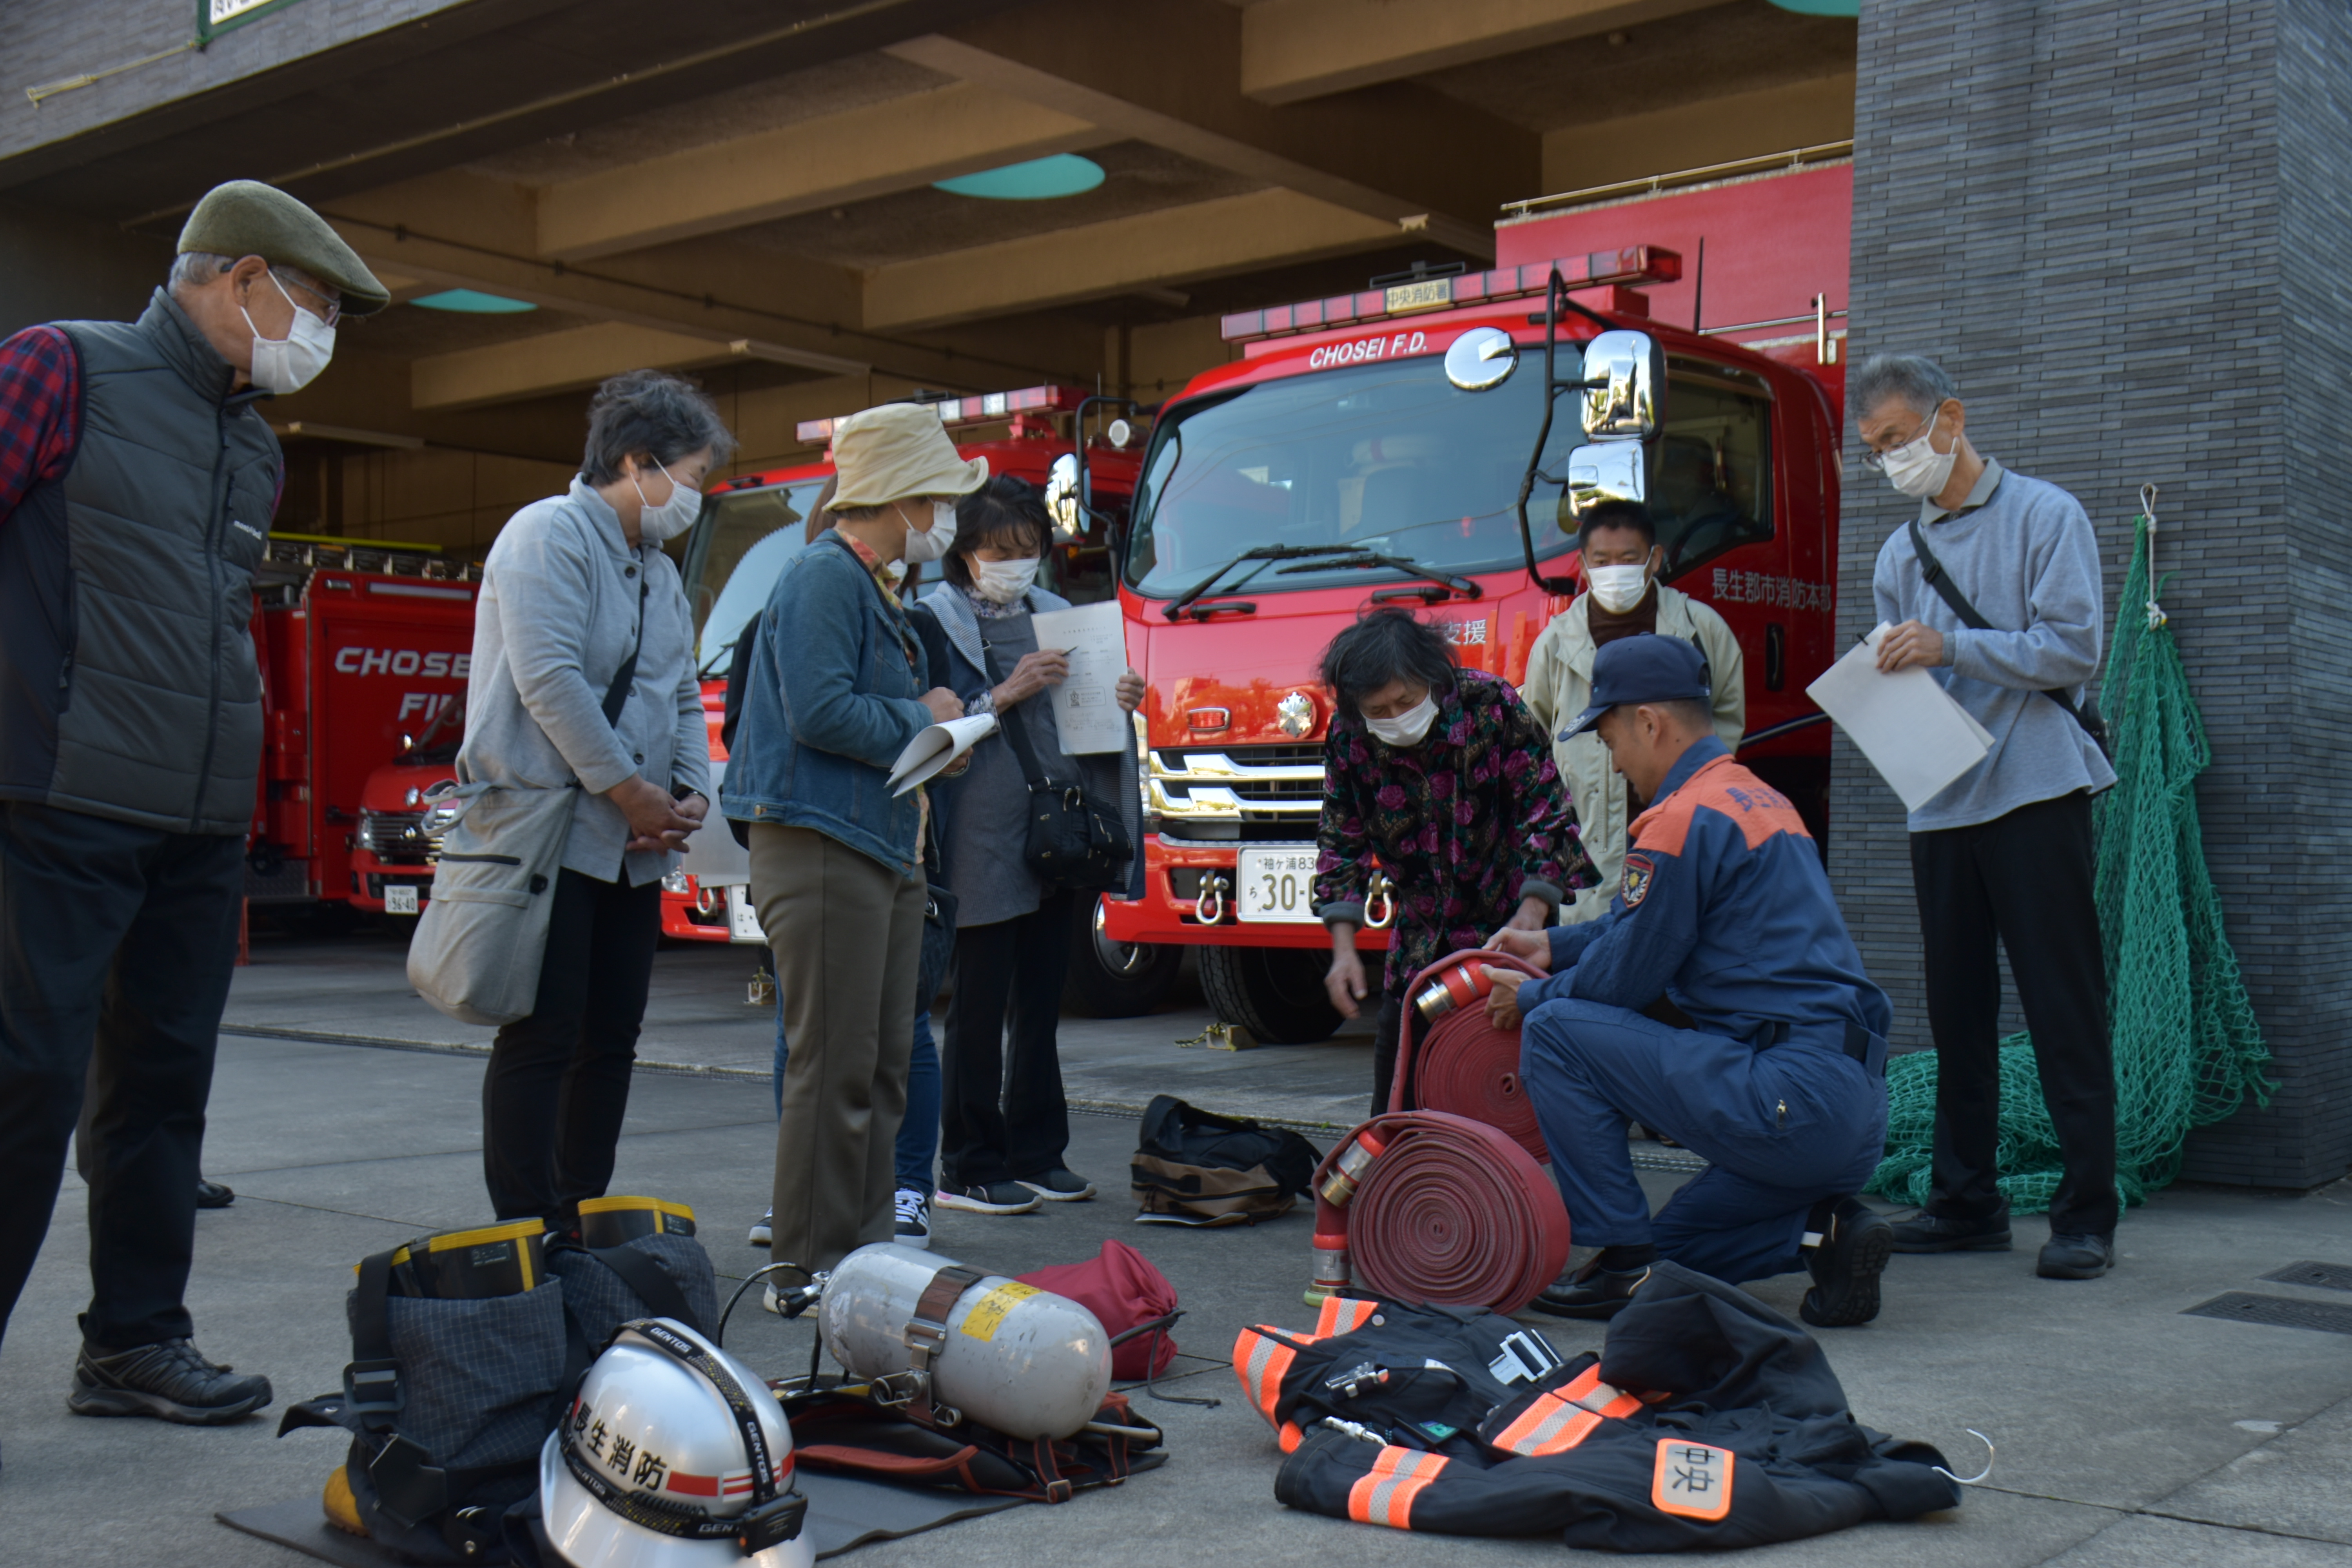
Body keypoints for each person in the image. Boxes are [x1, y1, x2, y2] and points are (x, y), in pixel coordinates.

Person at [0, 180, 387, 1428]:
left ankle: (133, 1342)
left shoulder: (255, 443)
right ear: (237, 279)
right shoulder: (62, 368)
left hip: (197, 817)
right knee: (25, 1083)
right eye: (313, 304)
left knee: (162, 1089)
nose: (315, 333)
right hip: (54, 795)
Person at [1485, 635, 1894, 1327]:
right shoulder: (1756, 799)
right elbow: (1642, 926)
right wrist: (1550, 944)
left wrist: (1528, 994)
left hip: (1786, 1092)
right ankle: (1831, 1230)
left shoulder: (1680, 820)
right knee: (1670, 1260)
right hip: (1849, 1113)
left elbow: (1624, 977)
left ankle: (1617, 1260)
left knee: (1556, 1031)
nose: (1613, 762)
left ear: (1650, 722)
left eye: (1611, 738)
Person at [1851, 353, 2119, 1281]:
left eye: (1897, 440)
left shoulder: (2047, 515)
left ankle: (2086, 1213)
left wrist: (1951, 642)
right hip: (1941, 804)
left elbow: (2075, 646)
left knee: (2063, 1004)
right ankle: (1966, 1201)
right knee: (1956, 1011)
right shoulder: (1897, 555)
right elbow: (1900, 680)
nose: (1891, 462)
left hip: (2038, 787)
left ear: (1949, 418)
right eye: (1876, 451)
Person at [465, 370, 725, 1223]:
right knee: (541, 1034)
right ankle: (528, 1225)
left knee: (612, 1036)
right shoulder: (548, 534)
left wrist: (684, 793)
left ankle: (578, 1209)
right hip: (550, 829)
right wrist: (629, 789)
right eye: (688, 479)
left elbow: (680, 689)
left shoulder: (656, 566)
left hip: (633, 843)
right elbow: (550, 679)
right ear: (635, 461)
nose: (691, 498)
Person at [722, 403, 976, 1273]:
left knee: (874, 1069)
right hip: (825, 845)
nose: (944, 519)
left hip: (872, 844)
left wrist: (927, 740)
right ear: (899, 497)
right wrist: (926, 717)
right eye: (937, 498)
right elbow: (821, 709)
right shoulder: (825, 577)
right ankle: (807, 1267)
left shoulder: (866, 581)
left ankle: (860, 1258)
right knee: (836, 1070)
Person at [909, 477, 1145, 1215]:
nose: (1016, 563)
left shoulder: (1060, 615)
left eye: (1029, 549)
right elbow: (927, 727)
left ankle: (1039, 1150)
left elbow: (1089, 724)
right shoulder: (929, 623)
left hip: (1058, 824)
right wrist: (1003, 694)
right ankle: (972, 1162)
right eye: (998, 550)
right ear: (964, 553)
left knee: (1043, 996)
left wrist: (1121, 697)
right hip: (978, 831)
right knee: (979, 1003)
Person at [1313, 609, 1592, 1116]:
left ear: (1433, 678)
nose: (1396, 716)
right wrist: (1344, 950)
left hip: (1508, 935)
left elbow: (1546, 809)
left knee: (1511, 1102)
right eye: (1380, 709)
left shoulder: (1490, 705)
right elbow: (1342, 839)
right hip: (1419, 945)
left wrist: (1531, 915)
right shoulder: (1349, 736)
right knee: (1399, 1108)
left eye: (1406, 700)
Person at [1521, 498, 1744, 924]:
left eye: (1628, 558)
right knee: (1592, 959)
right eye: (1601, 561)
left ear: (1654, 559)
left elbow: (1727, 719)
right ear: (1583, 566)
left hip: (1677, 831)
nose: (1614, 571)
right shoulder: (1554, 643)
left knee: (1673, 941)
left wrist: (1690, 787)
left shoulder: (1701, 629)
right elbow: (1533, 744)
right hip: (1588, 847)